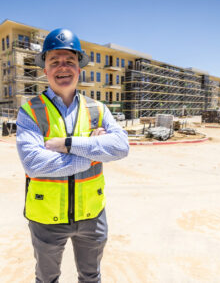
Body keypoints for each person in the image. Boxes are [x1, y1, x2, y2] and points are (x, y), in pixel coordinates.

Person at [16, 28, 129, 283]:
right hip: (45, 218)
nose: (62, 67)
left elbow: (121, 147)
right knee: (47, 279)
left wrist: (67, 144)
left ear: (80, 68)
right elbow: (35, 164)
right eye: (54, 61)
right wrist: (93, 150)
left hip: (92, 214)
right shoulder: (30, 111)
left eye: (70, 61)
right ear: (45, 70)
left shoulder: (98, 109)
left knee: (91, 277)